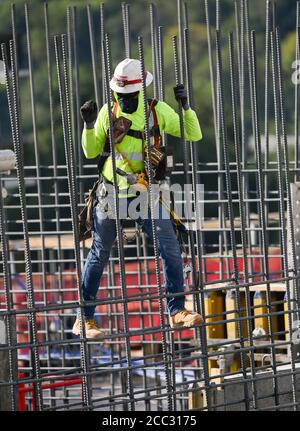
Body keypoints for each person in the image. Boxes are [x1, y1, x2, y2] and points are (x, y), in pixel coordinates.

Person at [72, 58, 203, 339]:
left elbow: (194, 133)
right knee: (99, 253)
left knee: (170, 250)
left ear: (140, 92)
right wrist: (89, 125)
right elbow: (91, 151)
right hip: (110, 193)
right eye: (121, 96)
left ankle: (177, 310)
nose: (125, 100)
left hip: (145, 194)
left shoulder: (158, 112)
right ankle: (85, 319)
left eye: (130, 96)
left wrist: (186, 109)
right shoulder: (109, 111)